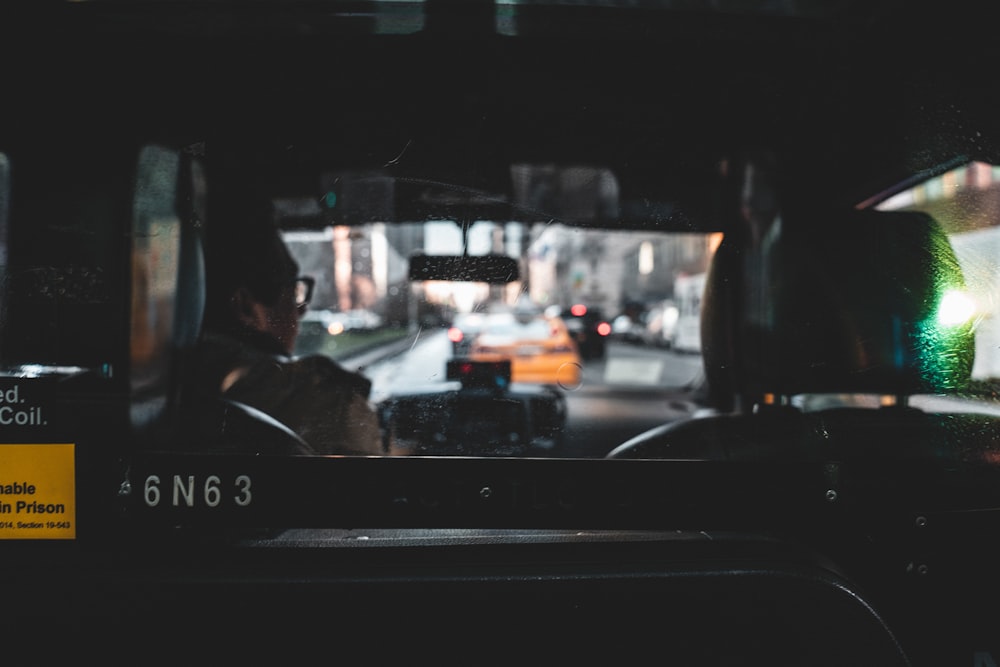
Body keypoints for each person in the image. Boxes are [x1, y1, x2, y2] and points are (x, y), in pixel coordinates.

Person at [189, 200, 386, 456]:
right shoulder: (333, 406)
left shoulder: (167, 383)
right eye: (293, 294)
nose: (301, 310)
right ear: (247, 308)